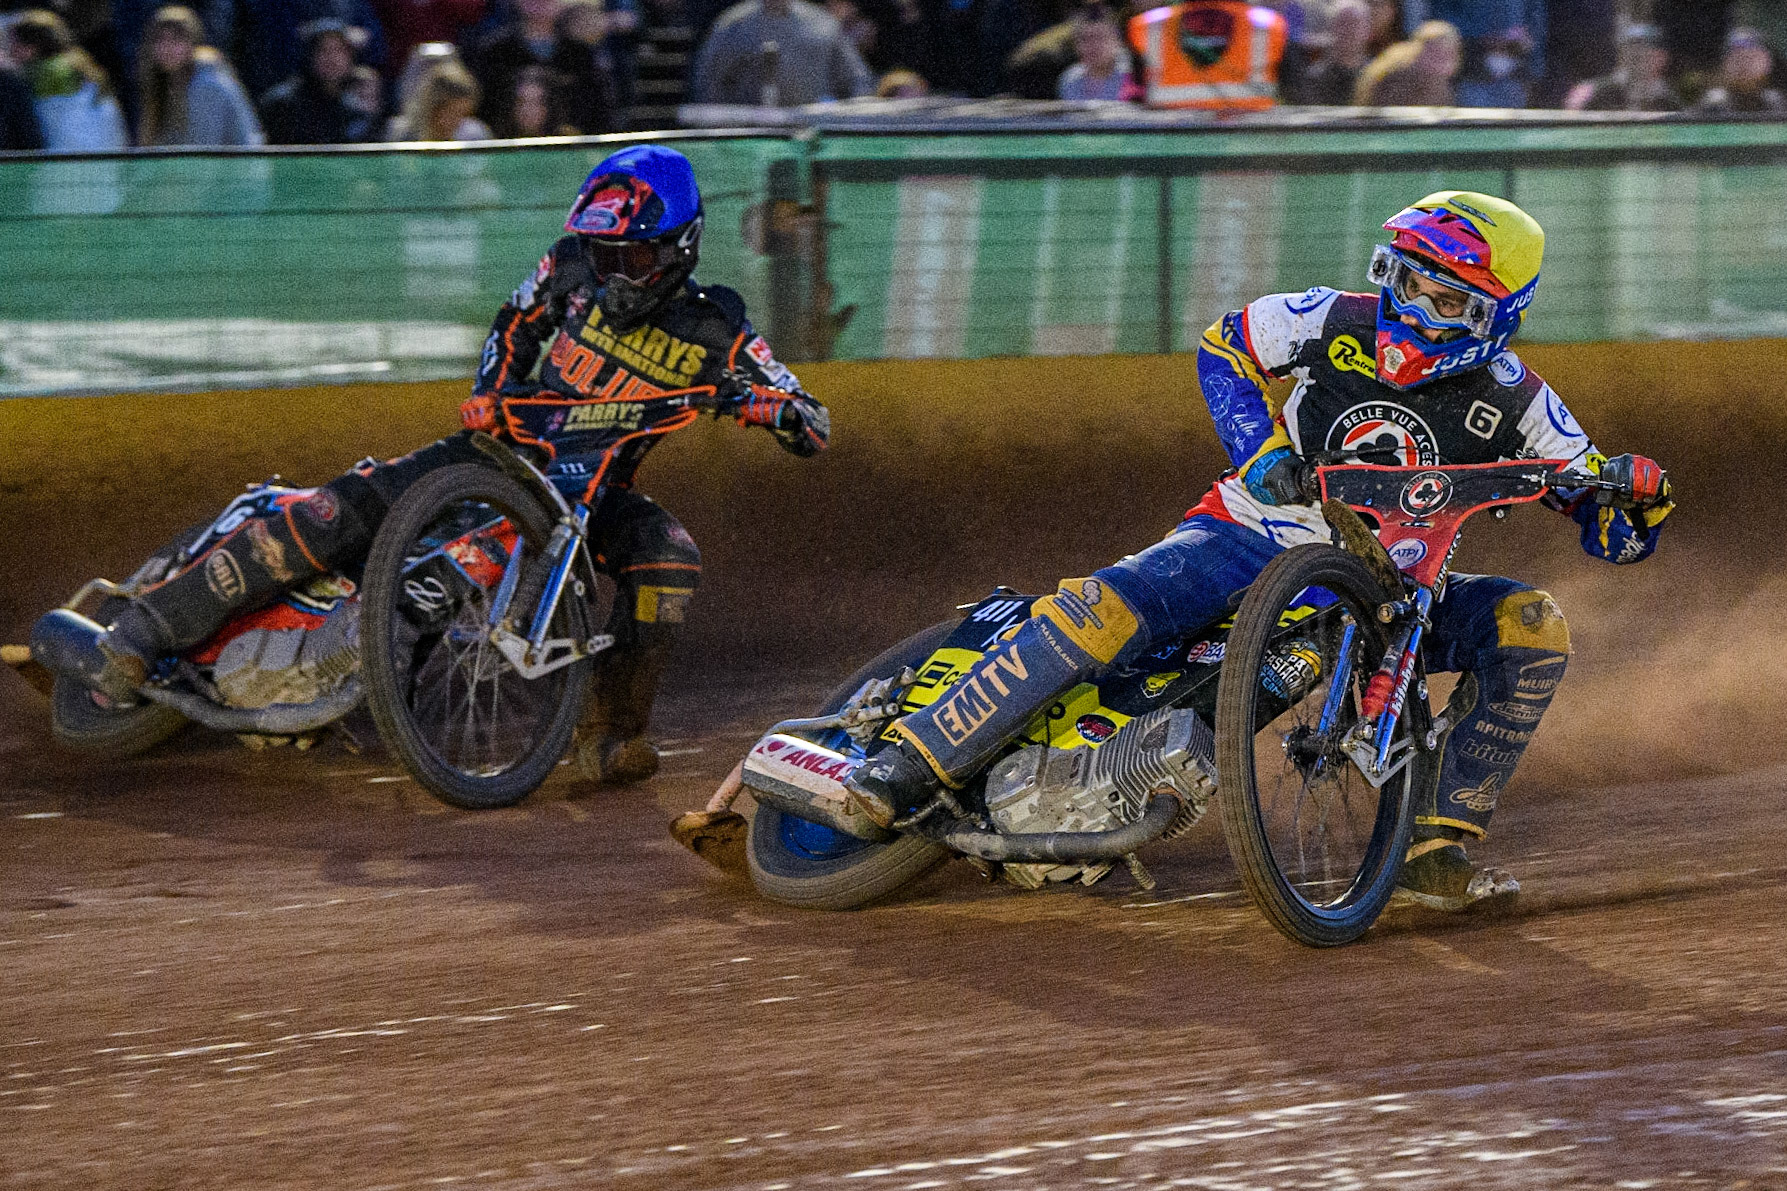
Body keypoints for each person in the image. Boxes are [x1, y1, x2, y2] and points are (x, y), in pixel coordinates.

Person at [844, 191, 1674, 912]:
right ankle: (911, 763)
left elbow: (1606, 528)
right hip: (1246, 531)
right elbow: (1225, 344)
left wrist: (1638, 501)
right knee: (1105, 609)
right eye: (1405, 282)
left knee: (1531, 625)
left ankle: (1431, 848)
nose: (1415, 310)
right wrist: (1261, 451)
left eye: (1445, 301)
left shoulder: (1523, 405)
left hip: (1389, 594)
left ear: (1494, 318)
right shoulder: (1333, 317)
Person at [32, 145, 831, 788]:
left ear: (680, 247)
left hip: (591, 495)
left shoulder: (716, 325)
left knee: (669, 556)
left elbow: (808, 416)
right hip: (497, 454)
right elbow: (514, 321)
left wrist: (775, 409)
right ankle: (143, 629)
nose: (611, 271)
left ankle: (608, 735)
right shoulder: (568, 266)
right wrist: (491, 392)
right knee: (333, 513)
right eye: (602, 252)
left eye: (632, 256)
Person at [689, 0, 873, 106]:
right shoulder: (733, 26)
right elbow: (707, 85)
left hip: (811, 137)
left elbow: (857, 80)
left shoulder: (821, 24)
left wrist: (849, 124)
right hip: (749, 136)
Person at [134, 6, 263, 146]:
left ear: (192, 43)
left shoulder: (207, 85)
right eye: (160, 40)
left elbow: (204, 151)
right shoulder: (163, 86)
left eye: (176, 39)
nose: (167, 48)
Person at [1126, 0, 1288, 110]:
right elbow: (1296, 103)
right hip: (1251, 144)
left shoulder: (1147, 27)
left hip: (1169, 145)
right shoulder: (1270, 26)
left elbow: (1133, 100)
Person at [6, 9, 127, 150]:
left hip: (78, 153)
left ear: (31, 47)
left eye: (14, 43)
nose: (9, 50)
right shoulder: (79, 60)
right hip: (107, 151)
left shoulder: (50, 70)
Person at [260, 17, 378, 143]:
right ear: (310, 56)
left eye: (339, 50)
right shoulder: (283, 104)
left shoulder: (355, 105)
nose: (332, 58)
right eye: (323, 50)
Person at [1563, 23, 1679, 113]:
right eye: (1631, 49)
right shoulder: (1592, 92)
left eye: (1645, 50)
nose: (1637, 55)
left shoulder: (1670, 100)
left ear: (1662, 57)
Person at [1280, 0, 1368, 105]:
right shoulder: (1313, 78)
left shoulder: (1375, 74)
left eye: (1355, 23)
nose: (1349, 31)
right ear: (1331, 28)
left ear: (1366, 29)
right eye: (1343, 23)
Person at [1353, 18, 1459, 106]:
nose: (1441, 60)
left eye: (1448, 53)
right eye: (1433, 52)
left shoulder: (1442, 87)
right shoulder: (1396, 74)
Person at [383, 56, 490, 137]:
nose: (458, 122)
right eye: (452, 112)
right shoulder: (402, 134)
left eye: (463, 114)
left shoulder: (474, 136)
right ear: (433, 106)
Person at [1691, 28, 1785, 115]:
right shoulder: (1714, 103)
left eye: (1752, 61)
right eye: (1737, 60)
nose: (1744, 68)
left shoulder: (1773, 102)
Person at [1056, 4, 1127, 100]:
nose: (1092, 46)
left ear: (1118, 41)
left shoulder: (1132, 77)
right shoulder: (1069, 80)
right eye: (1084, 39)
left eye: (1099, 38)